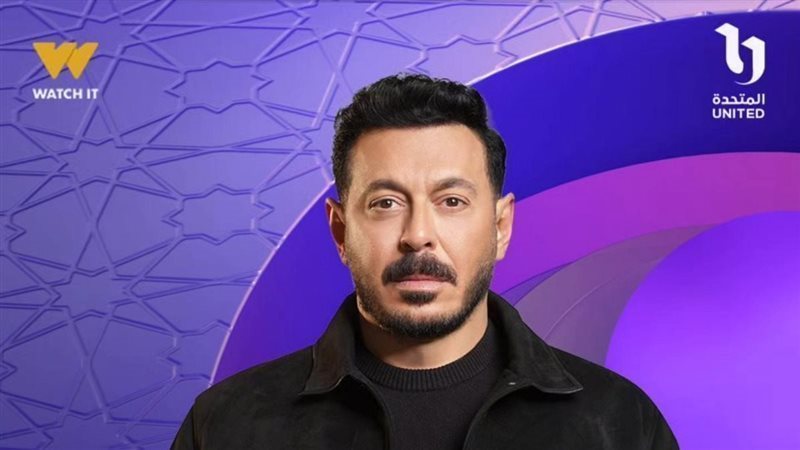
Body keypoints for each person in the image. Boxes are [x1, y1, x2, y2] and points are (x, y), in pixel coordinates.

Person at [172, 74, 679, 449]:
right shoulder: (227, 426)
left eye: (451, 201)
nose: (417, 236)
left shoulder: (619, 423)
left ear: (501, 227)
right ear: (341, 231)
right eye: (386, 203)